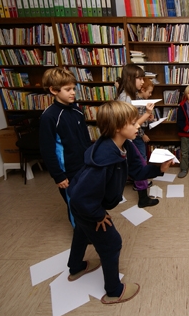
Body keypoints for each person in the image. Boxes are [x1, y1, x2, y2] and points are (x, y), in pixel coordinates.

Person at [66, 100, 173, 303]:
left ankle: (76, 267)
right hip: (85, 206)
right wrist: (98, 215)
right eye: (133, 123)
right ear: (117, 128)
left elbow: (138, 171)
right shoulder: (103, 161)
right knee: (112, 243)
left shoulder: (126, 145)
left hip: (87, 205)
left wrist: (158, 169)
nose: (138, 125)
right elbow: (80, 198)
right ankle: (114, 291)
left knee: (81, 231)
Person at [39, 67, 92, 226]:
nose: (73, 93)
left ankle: (90, 226)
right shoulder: (49, 117)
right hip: (68, 170)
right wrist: (58, 175)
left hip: (84, 165)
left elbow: (85, 139)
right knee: (74, 202)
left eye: (74, 89)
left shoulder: (77, 111)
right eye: (67, 89)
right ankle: (80, 232)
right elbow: (47, 149)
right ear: (53, 90)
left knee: (88, 198)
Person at [116, 64, 157, 207]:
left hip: (129, 137)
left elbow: (131, 120)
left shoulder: (128, 95)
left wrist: (145, 116)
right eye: (139, 78)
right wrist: (146, 114)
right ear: (129, 78)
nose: (142, 81)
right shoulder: (126, 98)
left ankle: (142, 195)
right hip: (128, 137)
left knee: (138, 163)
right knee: (140, 163)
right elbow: (130, 125)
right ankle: (143, 198)